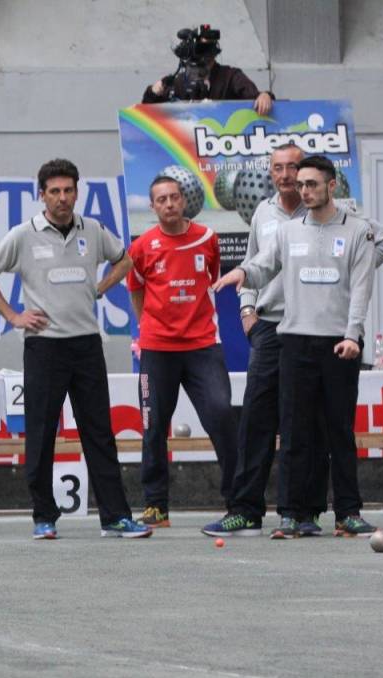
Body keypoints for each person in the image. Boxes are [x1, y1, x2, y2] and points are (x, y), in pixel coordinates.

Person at [203, 145, 383, 538]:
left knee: (339, 430)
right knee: (292, 429)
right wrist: (241, 275)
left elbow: (360, 288)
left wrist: (352, 334)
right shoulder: (288, 228)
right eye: (299, 182)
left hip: (339, 345)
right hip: (291, 340)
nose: (303, 189)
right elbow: (263, 263)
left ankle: (346, 513)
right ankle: (290, 515)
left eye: (311, 183)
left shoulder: (357, 229)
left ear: (332, 185)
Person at [0, 159, 151, 540]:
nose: (62, 198)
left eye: (68, 190)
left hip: (86, 344)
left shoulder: (94, 230)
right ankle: (44, 516)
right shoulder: (23, 235)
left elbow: (125, 260)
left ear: (77, 192)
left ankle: (115, 517)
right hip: (44, 348)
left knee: (98, 432)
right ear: (42, 195)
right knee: (40, 433)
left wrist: (99, 289)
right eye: (54, 191)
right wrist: (13, 316)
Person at [127, 175, 237, 528]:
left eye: (175, 197)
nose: (170, 204)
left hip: (203, 345)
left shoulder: (208, 238)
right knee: (152, 425)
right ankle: (156, 506)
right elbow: (136, 291)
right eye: (162, 199)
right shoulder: (142, 246)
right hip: (157, 350)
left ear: (184, 201)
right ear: (153, 205)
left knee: (221, 415)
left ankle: (239, 503)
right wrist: (147, 330)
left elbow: (211, 281)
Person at [142, 24, 273, 116]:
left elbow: (256, 96)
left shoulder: (231, 76)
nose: (203, 62)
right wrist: (153, 92)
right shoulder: (179, 81)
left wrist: (265, 96)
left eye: (208, 57)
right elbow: (146, 112)